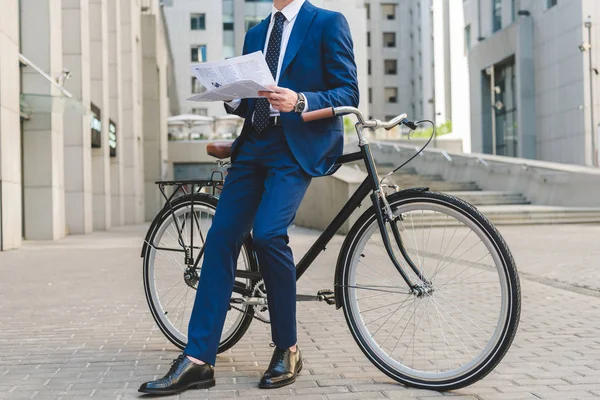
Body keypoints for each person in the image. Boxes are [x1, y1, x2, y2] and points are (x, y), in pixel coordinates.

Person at [139, 0, 359, 395]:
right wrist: (231, 96)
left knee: (268, 233)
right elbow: (250, 102)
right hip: (253, 146)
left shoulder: (327, 23)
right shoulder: (257, 33)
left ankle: (287, 348)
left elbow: (347, 91)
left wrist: (301, 100)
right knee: (221, 239)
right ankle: (198, 359)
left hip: (296, 147)